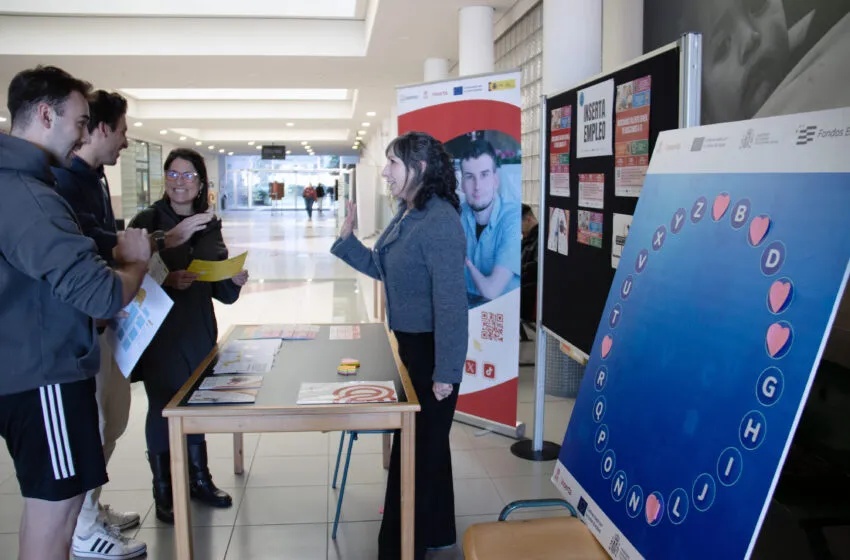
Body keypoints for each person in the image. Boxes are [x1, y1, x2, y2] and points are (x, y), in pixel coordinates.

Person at [0, 65, 150, 560]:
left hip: (30, 370)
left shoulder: (21, 184)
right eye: (81, 123)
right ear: (46, 115)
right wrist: (135, 263)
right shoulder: (28, 196)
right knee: (57, 514)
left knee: (50, 509)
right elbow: (102, 294)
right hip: (45, 377)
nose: (85, 136)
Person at [331, 131, 468, 560]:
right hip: (409, 348)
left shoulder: (440, 221)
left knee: (415, 454)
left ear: (419, 168)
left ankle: (400, 548)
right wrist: (348, 240)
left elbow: (451, 305)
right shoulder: (409, 212)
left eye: (393, 163)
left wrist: (446, 372)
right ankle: (437, 532)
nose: (385, 172)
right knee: (428, 448)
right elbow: (383, 267)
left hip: (431, 354)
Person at [129, 148, 249, 524]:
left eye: (188, 176)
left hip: (198, 327)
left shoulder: (209, 224)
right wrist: (166, 280)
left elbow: (220, 290)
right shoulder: (147, 222)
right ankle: (164, 487)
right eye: (173, 175)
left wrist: (233, 279)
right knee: (162, 405)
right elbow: (125, 274)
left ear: (201, 183)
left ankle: (199, 479)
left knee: (195, 403)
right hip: (159, 331)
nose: (179, 183)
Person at [52, 90, 147, 558]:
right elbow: (87, 245)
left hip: (108, 320)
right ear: (102, 128)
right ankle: (82, 529)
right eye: (122, 131)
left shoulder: (95, 177)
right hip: (80, 329)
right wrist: (130, 249)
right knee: (93, 422)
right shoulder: (61, 182)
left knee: (114, 416)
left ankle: (89, 509)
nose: (126, 142)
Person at [459, 139, 521, 303]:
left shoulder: (513, 218)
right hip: (466, 312)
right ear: (462, 184)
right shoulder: (457, 215)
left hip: (502, 315)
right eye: (470, 177)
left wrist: (467, 263)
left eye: (484, 175)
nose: (477, 186)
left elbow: (491, 291)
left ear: (495, 180)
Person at [520, 204, 539, 327]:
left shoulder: (540, 239)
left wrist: (522, 268)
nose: (519, 230)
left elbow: (536, 267)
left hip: (528, 291)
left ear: (528, 219)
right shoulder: (528, 238)